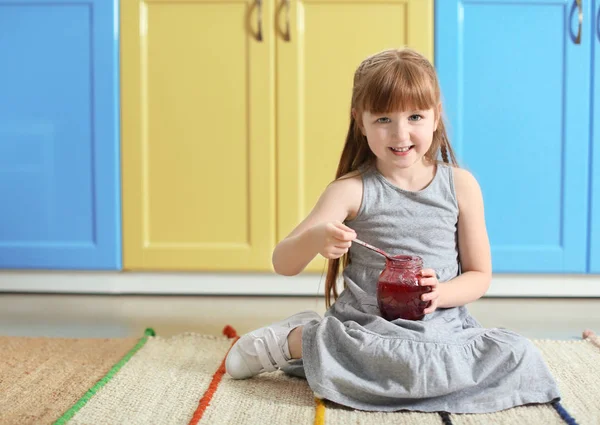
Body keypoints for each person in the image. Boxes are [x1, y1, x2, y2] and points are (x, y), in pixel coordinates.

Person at [225, 47, 560, 413]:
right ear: (360, 120)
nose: (401, 133)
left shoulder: (461, 186)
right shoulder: (351, 190)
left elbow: (480, 275)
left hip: (442, 329)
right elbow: (282, 262)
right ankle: (295, 341)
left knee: (519, 354)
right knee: (404, 362)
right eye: (383, 119)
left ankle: (322, 351)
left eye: (415, 116)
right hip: (369, 330)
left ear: (435, 117)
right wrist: (316, 238)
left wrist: (442, 294)